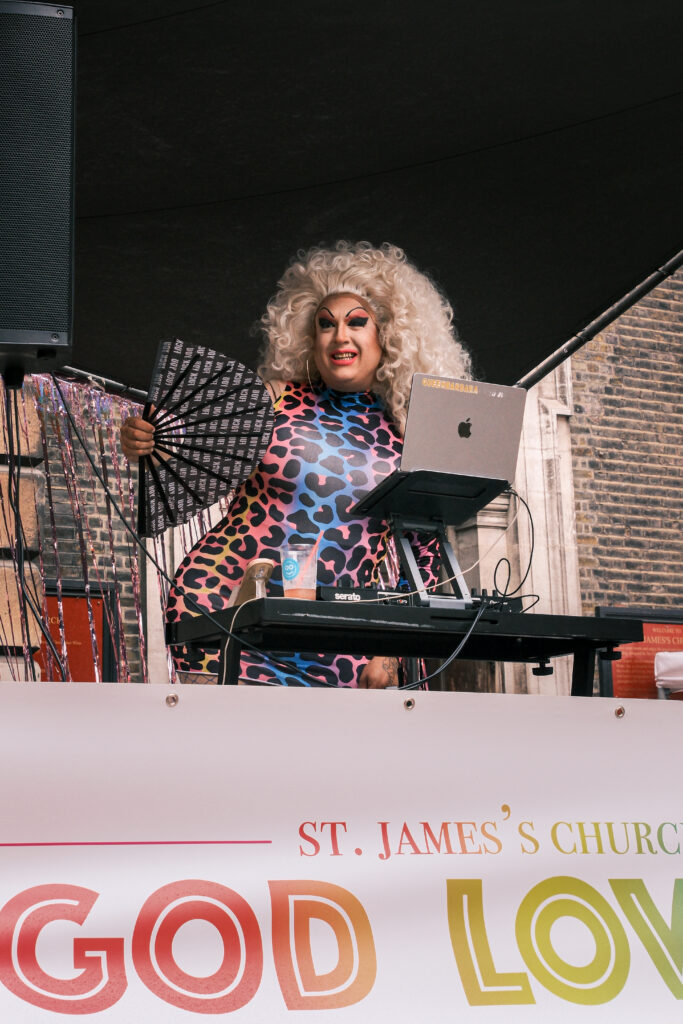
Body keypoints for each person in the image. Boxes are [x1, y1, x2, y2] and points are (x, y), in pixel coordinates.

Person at [121, 241, 471, 687]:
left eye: (356, 322)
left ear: (389, 334)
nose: (339, 336)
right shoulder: (274, 399)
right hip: (225, 606)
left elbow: (421, 558)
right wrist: (144, 439)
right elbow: (180, 443)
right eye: (325, 324)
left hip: (338, 633)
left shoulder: (409, 434)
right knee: (224, 732)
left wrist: (390, 649)